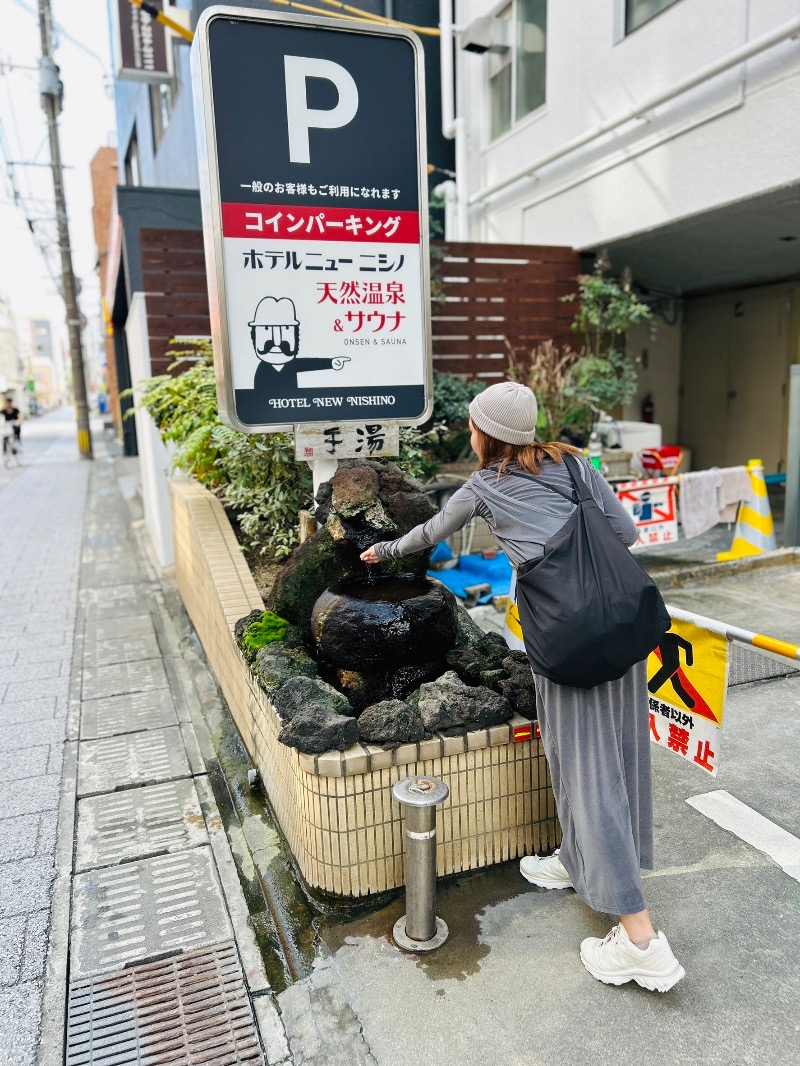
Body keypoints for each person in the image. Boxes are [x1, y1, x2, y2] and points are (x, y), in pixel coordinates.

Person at [360, 380, 685, 992]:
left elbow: (429, 535)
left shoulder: (486, 486)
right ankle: (576, 860)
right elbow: (627, 535)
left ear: (486, 433)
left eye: (475, 424)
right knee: (610, 755)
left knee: (586, 769)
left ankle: (641, 939)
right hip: (621, 629)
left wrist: (382, 551)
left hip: (568, 643)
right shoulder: (573, 463)